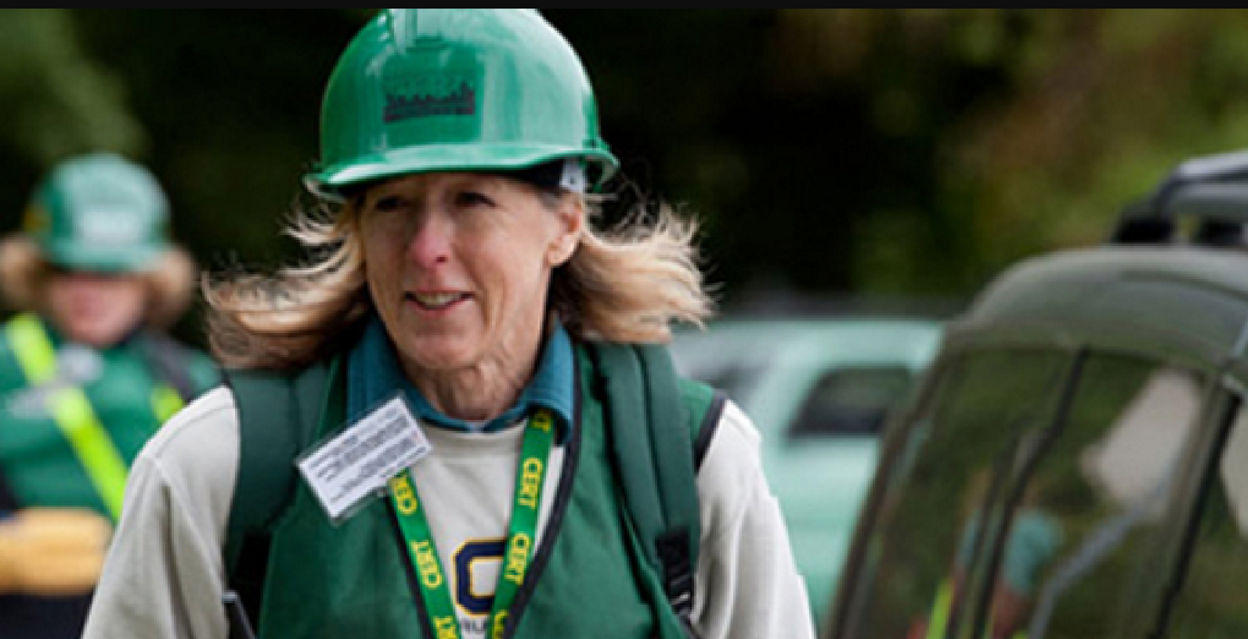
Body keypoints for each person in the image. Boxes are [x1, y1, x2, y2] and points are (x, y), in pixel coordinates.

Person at [82, 9, 814, 639]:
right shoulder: (220, 465)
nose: (428, 249)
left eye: (471, 200)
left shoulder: (688, 459)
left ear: (563, 224)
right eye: (392, 204)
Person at [0, 152, 220, 638]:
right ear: (39, 270)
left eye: (110, 273)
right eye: (70, 269)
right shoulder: (5, 361)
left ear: (149, 277)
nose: (89, 292)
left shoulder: (191, 378)